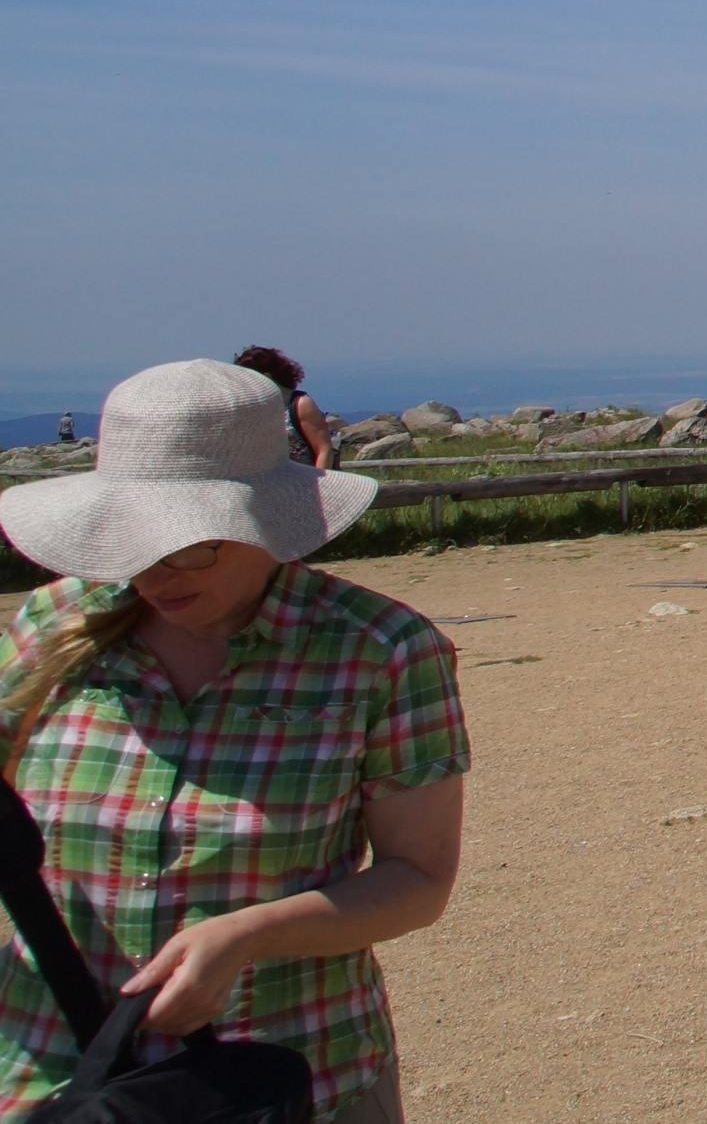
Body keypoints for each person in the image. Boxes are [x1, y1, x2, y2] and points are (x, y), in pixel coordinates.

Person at [0, 359, 467, 1122]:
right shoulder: (56, 624)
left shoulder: (380, 649)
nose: (154, 572)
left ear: (267, 518)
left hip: (284, 1081)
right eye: (130, 538)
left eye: (189, 543)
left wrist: (251, 934)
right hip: (51, 1077)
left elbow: (418, 877)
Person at [234, 345, 335, 472]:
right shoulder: (256, 408)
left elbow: (324, 449)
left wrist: (319, 482)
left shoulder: (301, 404)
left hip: (307, 479)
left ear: (266, 377)